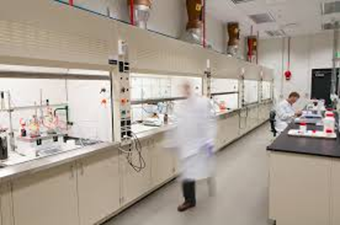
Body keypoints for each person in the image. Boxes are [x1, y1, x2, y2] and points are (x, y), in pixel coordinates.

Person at [165, 82, 216, 212]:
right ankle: (191, 198)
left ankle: (190, 201)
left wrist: (209, 141)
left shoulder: (201, 103)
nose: (185, 91)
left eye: (186, 88)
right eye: (183, 89)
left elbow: (209, 121)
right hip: (188, 147)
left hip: (199, 146)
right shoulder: (180, 106)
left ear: (191, 89)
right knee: (189, 174)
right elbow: (176, 125)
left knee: (191, 173)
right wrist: (171, 142)